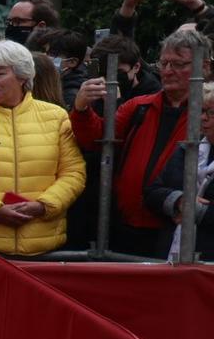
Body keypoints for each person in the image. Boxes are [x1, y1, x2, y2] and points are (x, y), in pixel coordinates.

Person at [73, 25, 210, 258]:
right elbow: (98, 139)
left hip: (178, 230)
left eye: (178, 64)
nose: (168, 71)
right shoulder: (139, 106)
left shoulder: (208, 113)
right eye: (163, 63)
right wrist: (81, 108)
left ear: (204, 67)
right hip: (127, 226)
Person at [0, 39, 85, 256]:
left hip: (43, 244)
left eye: (0, 73)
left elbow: (74, 172)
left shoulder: (56, 117)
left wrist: (44, 205)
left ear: (23, 76)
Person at [148, 79, 214, 261]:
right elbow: (152, 192)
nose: (203, 118)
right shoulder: (187, 149)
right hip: (173, 252)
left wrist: (197, 210)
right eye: (201, 111)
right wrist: (178, 201)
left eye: (211, 112)